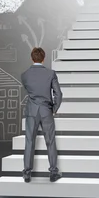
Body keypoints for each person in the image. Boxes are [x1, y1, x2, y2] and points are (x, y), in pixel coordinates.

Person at [21, 47, 63, 182]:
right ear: (43, 58)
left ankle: (27, 173)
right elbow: (58, 94)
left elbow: (29, 90)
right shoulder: (51, 73)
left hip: (32, 111)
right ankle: (53, 172)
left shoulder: (25, 75)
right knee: (50, 142)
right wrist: (54, 109)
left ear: (31, 58)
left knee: (29, 141)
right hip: (46, 111)